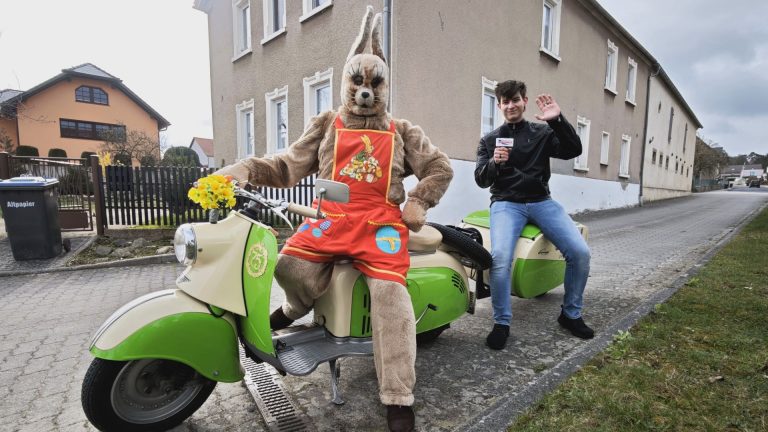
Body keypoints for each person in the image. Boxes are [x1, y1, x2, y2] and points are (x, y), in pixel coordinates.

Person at [216, 8, 452, 432]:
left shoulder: (401, 130)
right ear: (346, 83)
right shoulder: (326, 124)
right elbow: (287, 165)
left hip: (381, 225)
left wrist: (418, 201)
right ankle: (295, 307)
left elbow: (440, 167)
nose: (364, 91)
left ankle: (398, 397)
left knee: (391, 300)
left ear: (384, 86)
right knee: (288, 262)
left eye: (373, 84)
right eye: (357, 82)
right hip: (332, 218)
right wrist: (246, 170)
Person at [474, 80, 593, 350]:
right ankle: (502, 322)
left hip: (541, 201)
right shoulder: (489, 139)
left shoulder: (541, 132)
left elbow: (573, 150)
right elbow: (481, 179)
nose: (511, 105)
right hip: (506, 203)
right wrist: (495, 162)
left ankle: (571, 314)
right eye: (505, 101)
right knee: (501, 259)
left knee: (580, 252)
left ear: (524, 101)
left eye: (515, 99)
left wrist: (558, 121)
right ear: (499, 105)